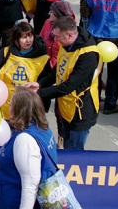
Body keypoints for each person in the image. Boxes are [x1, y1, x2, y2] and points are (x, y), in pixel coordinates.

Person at [29, 16, 99, 150]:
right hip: (65, 107)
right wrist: (40, 84)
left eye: (57, 37)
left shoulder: (88, 55)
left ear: (70, 35)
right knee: (65, 144)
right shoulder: (65, 45)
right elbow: (56, 72)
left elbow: (69, 86)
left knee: (73, 151)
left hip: (81, 111)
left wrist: (39, 93)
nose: (55, 40)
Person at [0, 87, 59, 209]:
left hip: (15, 202)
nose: (9, 106)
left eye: (12, 103)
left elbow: (30, 185)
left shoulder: (24, 140)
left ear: (19, 109)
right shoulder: (43, 129)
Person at [0, 21, 54, 116]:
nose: (28, 40)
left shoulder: (42, 58)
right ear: (16, 39)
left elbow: (46, 82)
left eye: (30, 36)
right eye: (24, 37)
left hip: (29, 106)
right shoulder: (6, 52)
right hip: (6, 104)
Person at [39, 1, 75, 69]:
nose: (49, 13)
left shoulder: (69, 30)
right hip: (45, 64)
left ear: (58, 15)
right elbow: (40, 40)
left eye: (52, 12)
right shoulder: (47, 22)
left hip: (61, 67)